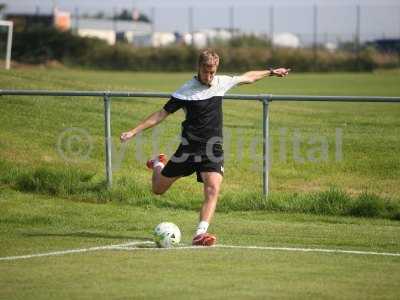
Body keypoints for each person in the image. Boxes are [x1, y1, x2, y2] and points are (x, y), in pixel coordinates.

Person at [120, 49, 290, 246]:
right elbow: (161, 114)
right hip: (188, 149)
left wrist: (271, 71)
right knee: (158, 189)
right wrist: (133, 131)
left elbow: (248, 77)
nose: (210, 76)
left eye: (213, 72)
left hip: (212, 149)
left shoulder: (220, 82)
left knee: (213, 188)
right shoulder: (185, 91)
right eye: (206, 71)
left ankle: (200, 234)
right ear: (199, 68)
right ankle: (158, 163)